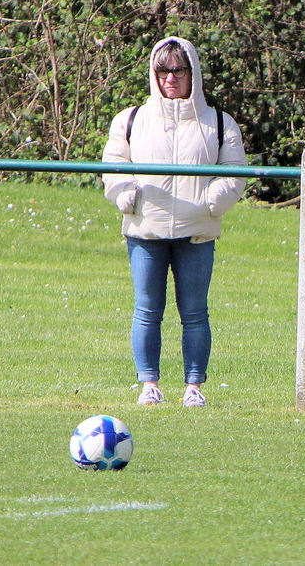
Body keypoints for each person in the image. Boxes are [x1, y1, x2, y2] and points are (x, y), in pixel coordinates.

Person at [102, 36, 247, 407]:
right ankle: (148, 384)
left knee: (195, 312)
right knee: (147, 310)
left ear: (192, 73)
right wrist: (126, 196)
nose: (170, 78)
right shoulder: (131, 120)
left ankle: (194, 388)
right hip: (145, 231)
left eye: (178, 70)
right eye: (163, 71)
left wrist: (212, 203)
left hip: (197, 233)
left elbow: (235, 172)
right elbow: (113, 166)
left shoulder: (219, 122)